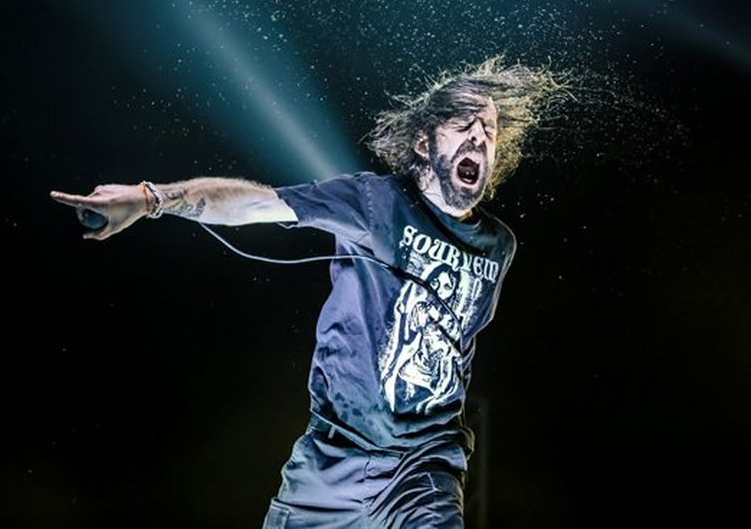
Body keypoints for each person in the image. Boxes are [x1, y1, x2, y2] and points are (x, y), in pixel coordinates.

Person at [51, 56, 561, 528]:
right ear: (425, 143)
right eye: (462, 124)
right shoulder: (374, 202)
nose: (478, 137)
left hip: (423, 471)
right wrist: (151, 199)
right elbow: (256, 205)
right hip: (330, 464)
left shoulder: (497, 246)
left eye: (488, 130)